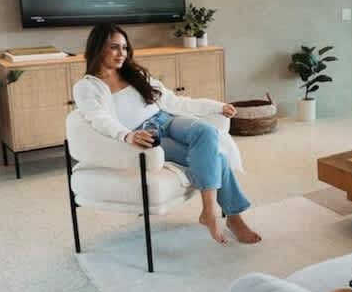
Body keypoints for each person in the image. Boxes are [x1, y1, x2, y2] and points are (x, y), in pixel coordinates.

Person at [73, 23, 261, 245]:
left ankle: (209, 211)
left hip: (166, 119)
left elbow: (175, 101)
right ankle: (232, 217)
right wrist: (127, 135)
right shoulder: (87, 87)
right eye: (114, 47)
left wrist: (216, 106)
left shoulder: (135, 74)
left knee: (206, 131)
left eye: (124, 47)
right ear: (98, 48)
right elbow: (98, 118)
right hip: (146, 135)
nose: (121, 53)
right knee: (216, 158)